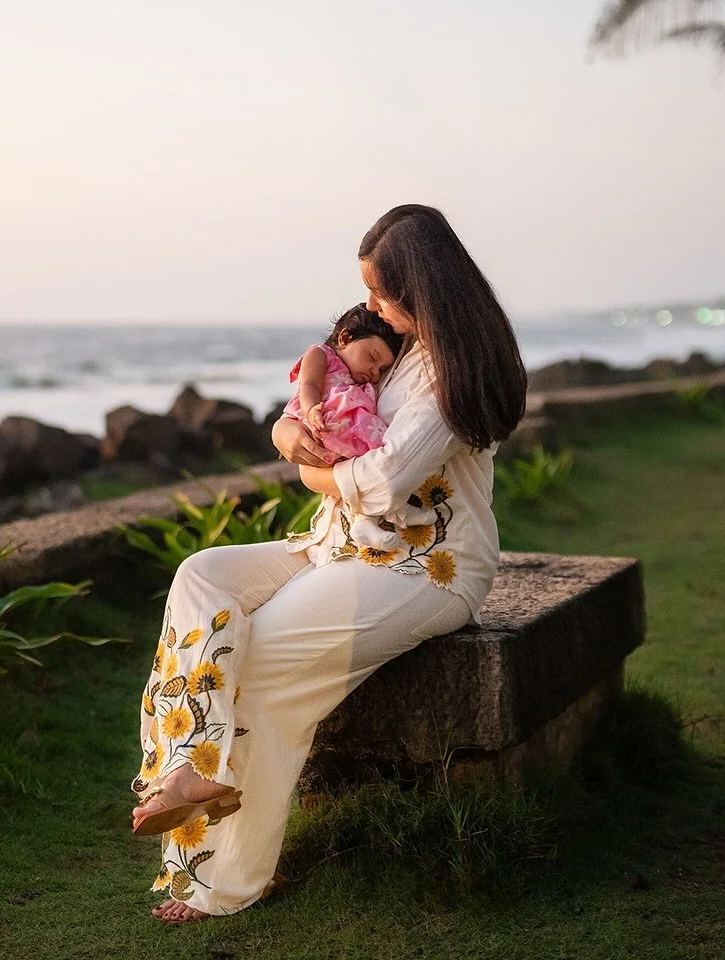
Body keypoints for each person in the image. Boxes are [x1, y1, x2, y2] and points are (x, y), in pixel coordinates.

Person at [128, 204, 529, 924]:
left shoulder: (452, 371)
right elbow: (319, 380)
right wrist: (289, 429)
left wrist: (308, 474)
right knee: (201, 575)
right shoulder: (396, 344)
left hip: (425, 566)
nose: (370, 307)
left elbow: (381, 484)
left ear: (422, 287)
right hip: (341, 544)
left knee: (263, 661)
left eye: (381, 292)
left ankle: (227, 881)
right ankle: (191, 767)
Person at [282, 304, 405, 464]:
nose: (375, 372)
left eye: (382, 369)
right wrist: (311, 409)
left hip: (355, 447)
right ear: (345, 338)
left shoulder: (361, 382)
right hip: (321, 425)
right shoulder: (321, 354)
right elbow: (309, 384)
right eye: (372, 358)